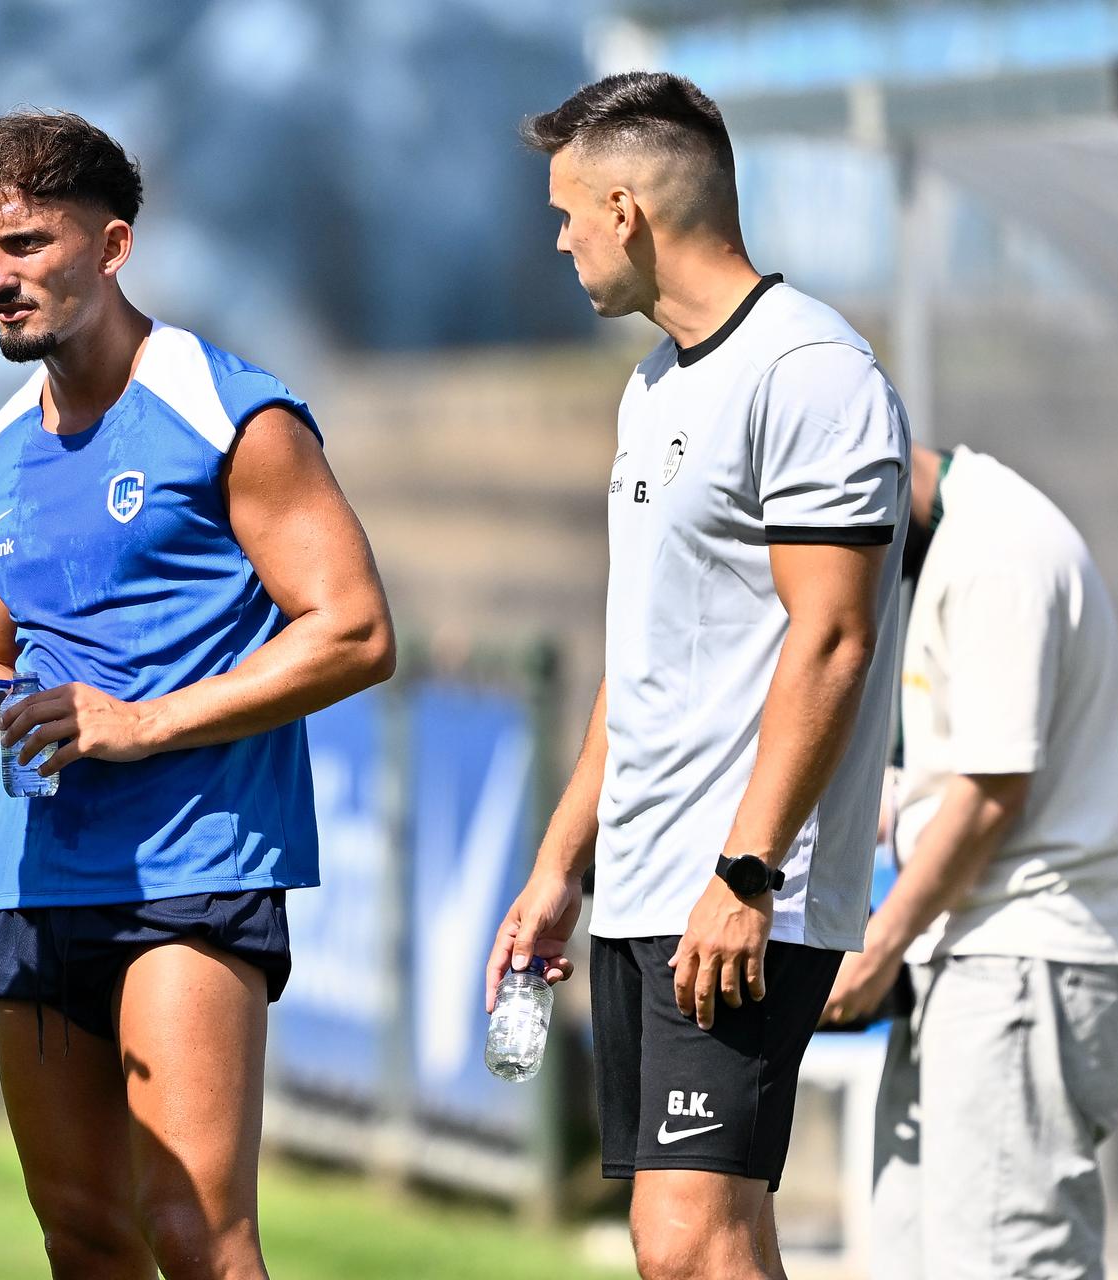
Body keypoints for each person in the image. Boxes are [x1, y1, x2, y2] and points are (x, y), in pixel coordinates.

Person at [0, 110, 394, 1280]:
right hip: (38, 877)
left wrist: (143, 721)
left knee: (197, 1230)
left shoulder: (230, 412)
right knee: (84, 1236)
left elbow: (354, 631)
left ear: (112, 247)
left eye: (29, 245)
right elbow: (5, 700)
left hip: (196, 867)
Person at [484, 73, 909, 1280]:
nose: (560, 238)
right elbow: (646, 661)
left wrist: (747, 872)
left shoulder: (810, 368)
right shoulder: (656, 385)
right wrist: (560, 864)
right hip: (643, 880)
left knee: (689, 1241)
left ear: (624, 208)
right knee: (694, 1240)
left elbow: (834, 639)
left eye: (567, 212)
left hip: (737, 892)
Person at [821, 443, 1118, 1277]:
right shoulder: (945, 549)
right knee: (909, 1256)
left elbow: (992, 791)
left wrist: (878, 948)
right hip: (966, 959)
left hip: (1023, 957)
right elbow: (941, 788)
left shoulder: (999, 552)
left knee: (1004, 1264)